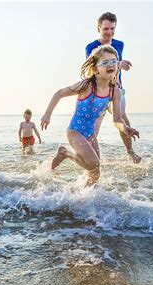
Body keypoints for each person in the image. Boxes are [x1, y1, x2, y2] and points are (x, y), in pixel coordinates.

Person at [41, 45, 140, 186]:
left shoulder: (115, 92)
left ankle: (86, 198)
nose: (110, 65)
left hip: (90, 133)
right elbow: (60, 93)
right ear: (95, 69)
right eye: (105, 62)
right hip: (75, 131)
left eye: (113, 61)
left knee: (95, 171)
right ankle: (65, 153)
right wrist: (47, 115)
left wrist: (125, 128)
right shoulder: (86, 85)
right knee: (93, 164)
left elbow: (117, 119)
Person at [85, 12, 141, 164]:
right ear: (99, 28)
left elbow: (116, 67)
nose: (109, 32)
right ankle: (93, 160)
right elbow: (91, 71)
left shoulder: (119, 45)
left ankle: (130, 152)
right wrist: (117, 65)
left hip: (116, 88)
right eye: (105, 29)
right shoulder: (91, 47)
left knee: (121, 116)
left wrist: (121, 66)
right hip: (98, 91)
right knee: (93, 128)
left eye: (112, 29)